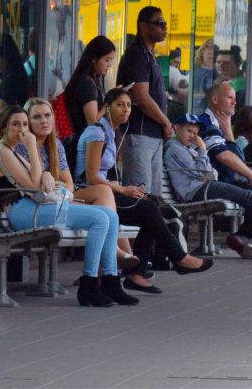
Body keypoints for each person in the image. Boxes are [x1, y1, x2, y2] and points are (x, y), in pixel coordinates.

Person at [0, 105, 137, 307]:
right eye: (15, 124)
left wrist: (45, 173)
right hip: (22, 213)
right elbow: (35, 187)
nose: (22, 129)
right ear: (3, 128)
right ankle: (89, 285)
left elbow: (40, 179)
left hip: (34, 208)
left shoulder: (11, 150)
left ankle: (111, 282)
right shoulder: (3, 152)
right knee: (99, 218)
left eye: (25, 124)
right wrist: (33, 149)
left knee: (110, 216)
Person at [75, 88, 213, 294]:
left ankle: (140, 273)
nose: (125, 110)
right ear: (107, 107)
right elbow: (92, 177)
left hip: (106, 195)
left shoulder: (112, 133)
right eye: (120, 105)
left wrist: (125, 190)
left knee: (151, 207)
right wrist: (123, 189)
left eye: (129, 106)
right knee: (148, 210)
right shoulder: (97, 132)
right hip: (90, 197)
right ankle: (177, 258)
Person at [22, 97, 137, 268]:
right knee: (103, 213)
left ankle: (113, 258)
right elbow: (32, 184)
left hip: (60, 198)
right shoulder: (24, 145)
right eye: (37, 117)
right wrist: (47, 174)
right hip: (40, 205)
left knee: (103, 191)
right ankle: (113, 258)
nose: (44, 121)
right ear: (28, 122)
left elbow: (68, 182)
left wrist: (63, 192)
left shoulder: (56, 145)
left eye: (47, 115)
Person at [166, 114, 252, 261]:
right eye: (189, 131)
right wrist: (203, 149)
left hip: (206, 185)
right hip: (197, 191)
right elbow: (200, 172)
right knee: (247, 196)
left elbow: (210, 171)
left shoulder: (188, 149)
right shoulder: (175, 149)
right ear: (176, 128)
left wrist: (206, 171)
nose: (192, 136)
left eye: (195, 133)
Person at [198, 82, 252, 260]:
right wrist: (251, 175)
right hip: (209, 182)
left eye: (235, 99)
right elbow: (223, 156)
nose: (234, 103)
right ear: (215, 99)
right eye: (229, 98)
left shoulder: (220, 125)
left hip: (224, 181)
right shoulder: (205, 123)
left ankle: (243, 236)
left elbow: (239, 157)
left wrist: (228, 131)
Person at [116, 6, 172, 197]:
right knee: (140, 194)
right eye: (159, 23)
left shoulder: (149, 54)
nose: (164, 28)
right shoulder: (136, 55)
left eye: (165, 24)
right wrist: (165, 122)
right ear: (143, 26)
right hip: (138, 134)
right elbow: (142, 98)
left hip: (152, 134)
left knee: (153, 195)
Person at [64, 36, 119, 133]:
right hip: (86, 142)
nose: (109, 65)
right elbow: (93, 123)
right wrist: (106, 106)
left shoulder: (88, 79)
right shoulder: (87, 84)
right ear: (94, 58)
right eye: (107, 60)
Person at [193, 39, 217, 109]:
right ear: (202, 53)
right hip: (198, 109)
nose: (210, 52)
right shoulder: (196, 72)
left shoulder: (218, 72)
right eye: (207, 48)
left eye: (212, 49)